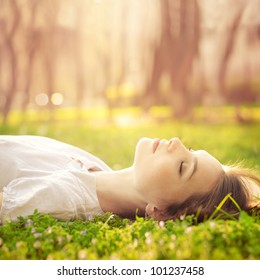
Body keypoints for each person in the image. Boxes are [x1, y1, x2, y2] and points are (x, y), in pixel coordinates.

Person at [0, 135, 259, 224]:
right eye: (190, 150)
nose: (177, 143)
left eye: (183, 167)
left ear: (161, 212)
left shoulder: (64, 199)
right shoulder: (96, 168)